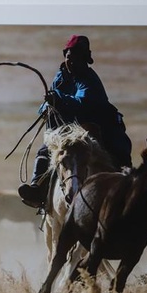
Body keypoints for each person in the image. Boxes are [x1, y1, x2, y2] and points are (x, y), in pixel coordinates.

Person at [18, 35, 132, 208]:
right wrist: (46, 108)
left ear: (84, 59)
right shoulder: (61, 76)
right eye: (69, 57)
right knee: (44, 152)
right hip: (69, 130)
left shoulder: (89, 79)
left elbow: (84, 103)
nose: (71, 61)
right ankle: (37, 189)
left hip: (96, 127)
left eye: (76, 58)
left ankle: (126, 188)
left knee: (117, 150)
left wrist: (58, 98)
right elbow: (48, 101)